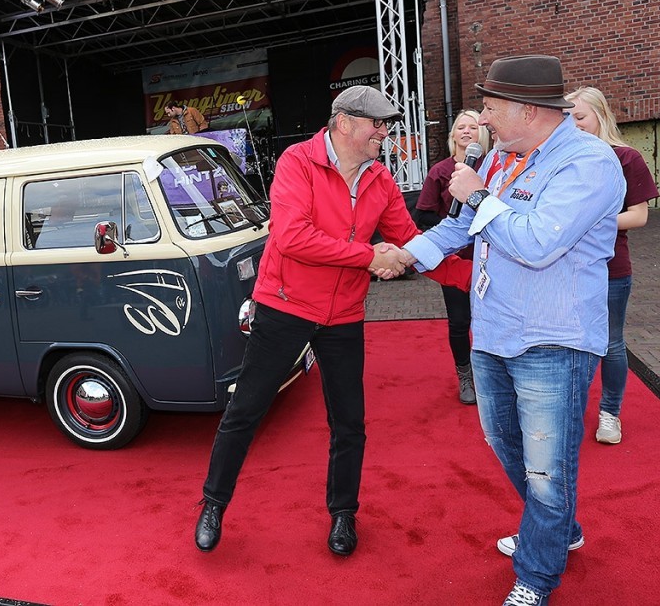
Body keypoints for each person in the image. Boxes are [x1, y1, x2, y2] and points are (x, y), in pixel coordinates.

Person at [193, 85, 471, 557]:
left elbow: (411, 244)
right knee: (245, 412)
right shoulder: (297, 162)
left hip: (343, 315)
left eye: (386, 125)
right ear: (344, 123)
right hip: (284, 307)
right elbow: (292, 237)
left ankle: (344, 513)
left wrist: (472, 278)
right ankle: (213, 503)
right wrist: (369, 257)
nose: (384, 133)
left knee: (349, 422)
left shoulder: (380, 178)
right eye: (376, 124)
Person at [398, 55, 625, 606]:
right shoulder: (502, 156)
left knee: (546, 468)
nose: (481, 120)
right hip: (495, 330)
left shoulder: (589, 163)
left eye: (490, 108)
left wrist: (478, 194)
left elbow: (536, 242)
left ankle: (536, 576)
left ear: (527, 109)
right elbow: (460, 227)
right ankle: (560, 527)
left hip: (553, 338)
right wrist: (402, 255)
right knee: (505, 444)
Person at [565, 85, 659, 444]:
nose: (574, 124)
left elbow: (638, 216)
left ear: (601, 115)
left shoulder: (626, 158)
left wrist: (588, 222)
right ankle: (569, 411)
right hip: (564, 269)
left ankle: (610, 413)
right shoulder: (563, 160)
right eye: (567, 119)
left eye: (580, 116)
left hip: (610, 269)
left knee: (610, 343)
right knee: (570, 343)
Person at [414, 110, 491, 404]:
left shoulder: (494, 168)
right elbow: (423, 214)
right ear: (453, 135)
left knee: (491, 321)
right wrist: (458, 230)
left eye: (473, 126)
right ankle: (465, 375)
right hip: (455, 261)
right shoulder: (440, 171)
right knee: (459, 322)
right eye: (461, 127)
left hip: (492, 260)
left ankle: (490, 375)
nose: (467, 131)